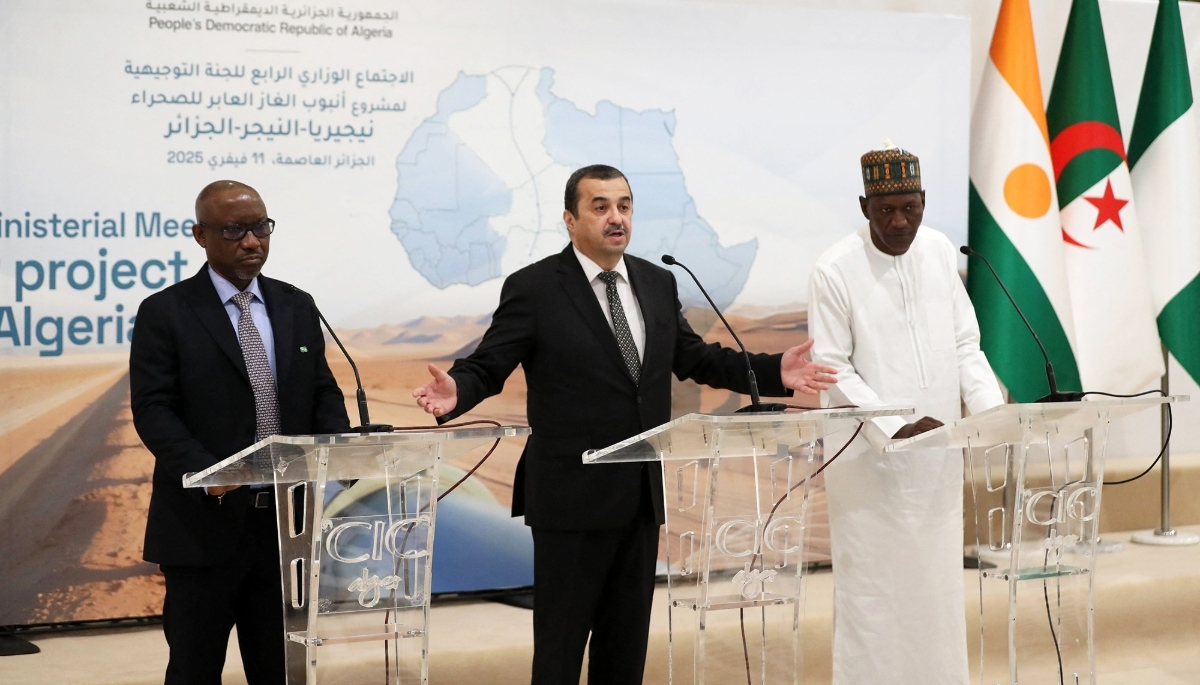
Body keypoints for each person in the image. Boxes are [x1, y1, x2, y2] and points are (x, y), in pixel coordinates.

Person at [412, 164, 837, 685]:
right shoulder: (536, 287)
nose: (616, 217)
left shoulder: (656, 281)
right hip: (571, 498)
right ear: (570, 219)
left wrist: (774, 372)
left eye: (624, 205)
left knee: (625, 649)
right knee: (561, 652)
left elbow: (694, 357)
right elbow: (490, 362)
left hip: (638, 496)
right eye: (601, 206)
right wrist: (458, 389)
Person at [130, 180, 350, 685]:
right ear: (200, 235)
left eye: (260, 228)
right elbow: (154, 410)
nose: (252, 241)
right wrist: (212, 472)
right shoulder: (167, 312)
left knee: (279, 669)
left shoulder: (296, 304)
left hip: (284, 527)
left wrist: (339, 453)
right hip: (202, 524)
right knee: (194, 667)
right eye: (235, 230)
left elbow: (322, 393)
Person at [808, 143, 1005, 685]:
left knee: (935, 592)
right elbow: (831, 368)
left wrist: (990, 412)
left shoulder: (940, 251)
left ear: (924, 200)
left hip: (937, 458)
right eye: (884, 209)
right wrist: (896, 425)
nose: (898, 222)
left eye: (909, 208)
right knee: (875, 595)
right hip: (867, 467)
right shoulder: (834, 269)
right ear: (863, 205)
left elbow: (966, 343)